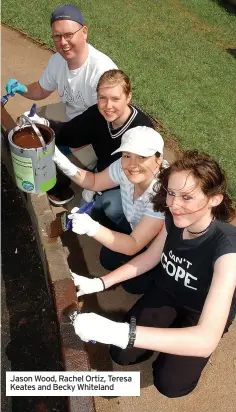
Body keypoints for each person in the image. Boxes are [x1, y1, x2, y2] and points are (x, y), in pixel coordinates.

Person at [69, 150, 236, 398]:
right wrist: (100, 283)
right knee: (121, 354)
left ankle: (175, 348)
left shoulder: (228, 248)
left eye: (187, 197)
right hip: (166, 293)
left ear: (214, 199)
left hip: (201, 311)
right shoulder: (174, 218)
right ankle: (167, 336)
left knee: (170, 385)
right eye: (171, 193)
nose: (174, 204)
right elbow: (150, 257)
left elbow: (205, 340)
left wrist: (121, 332)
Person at [5, 4, 117, 204]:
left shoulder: (102, 71)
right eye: (57, 36)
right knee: (26, 130)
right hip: (70, 115)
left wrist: (60, 139)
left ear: (84, 32)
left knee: (51, 162)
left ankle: (63, 189)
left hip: (95, 133)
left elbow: (108, 124)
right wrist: (23, 88)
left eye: (68, 35)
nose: (63, 42)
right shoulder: (58, 60)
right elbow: (41, 89)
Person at [51, 69, 155, 230]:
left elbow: (137, 175)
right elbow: (70, 133)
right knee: (89, 213)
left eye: (115, 99)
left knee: (111, 207)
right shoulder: (97, 114)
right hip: (104, 174)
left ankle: (130, 230)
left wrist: (97, 188)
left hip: (131, 185)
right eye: (102, 98)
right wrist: (45, 126)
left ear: (128, 97)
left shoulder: (142, 130)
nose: (108, 106)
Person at [54, 126, 168, 261]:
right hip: (135, 221)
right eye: (127, 155)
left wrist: (92, 228)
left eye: (142, 157)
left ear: (159, 159)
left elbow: (134, 244)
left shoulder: (163, 193)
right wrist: (58, 157)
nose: (132, 164)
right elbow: (95, 181)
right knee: (109, 203)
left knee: (108, 259)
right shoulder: (123, 165)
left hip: (156, 246)